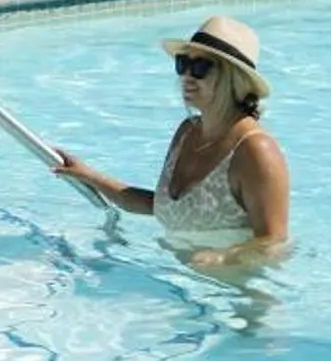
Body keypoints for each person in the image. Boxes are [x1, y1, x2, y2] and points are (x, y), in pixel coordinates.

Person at [51, 16, 290, 271]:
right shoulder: (188, 132)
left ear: (234, 78)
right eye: (183, 63)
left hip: (237, 296)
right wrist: (88, 176)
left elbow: (274, 243)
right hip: (183, 283)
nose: (187, 76)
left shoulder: (256, 151)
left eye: (200, 67)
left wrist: (224, 257)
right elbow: (161, 207)